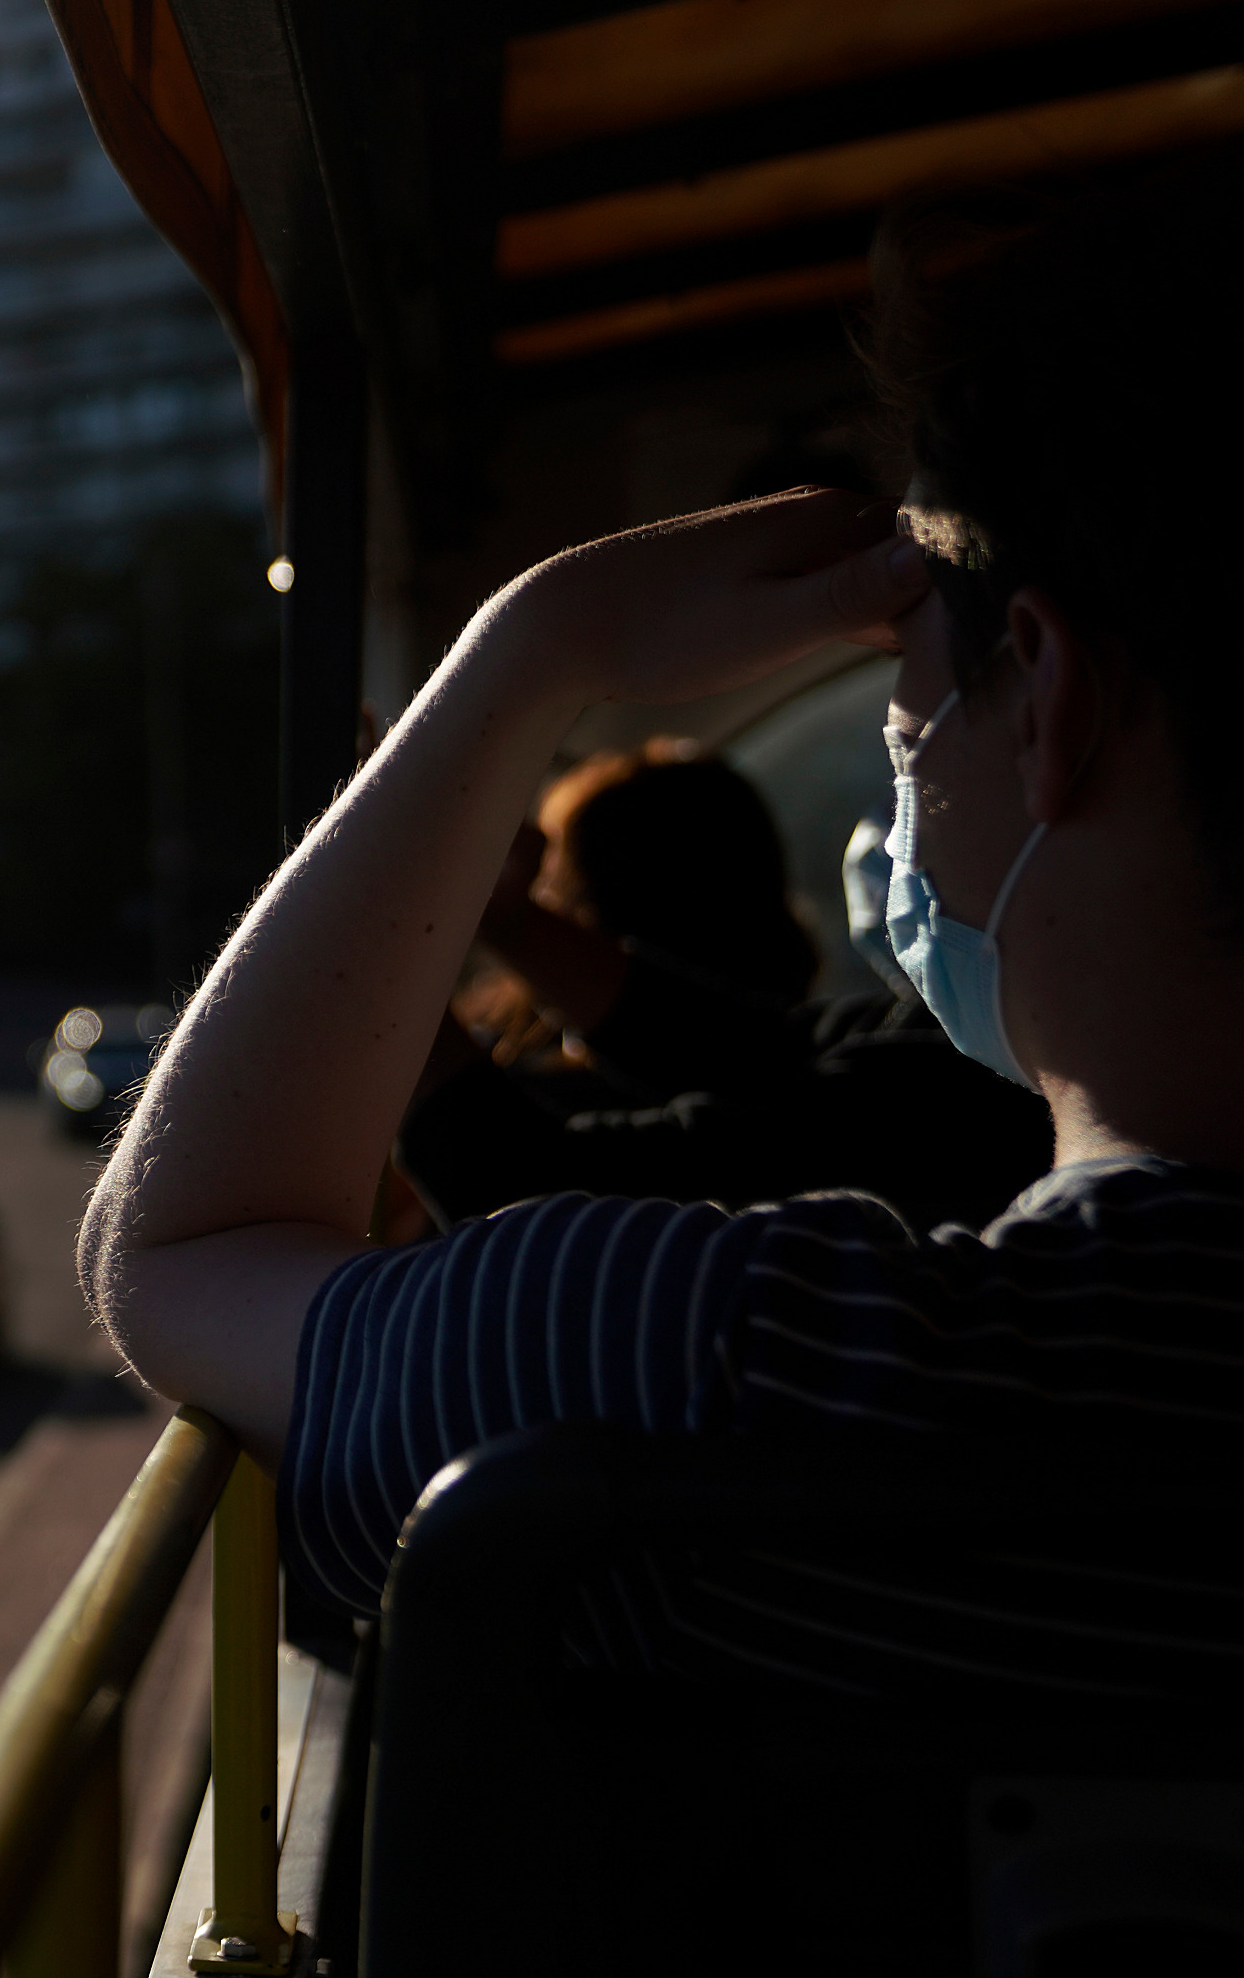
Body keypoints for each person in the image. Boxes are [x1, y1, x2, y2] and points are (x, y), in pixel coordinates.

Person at [81, 153, 1244, 1691]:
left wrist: (524, 656)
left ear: (1049, 697)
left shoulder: (756, 1381)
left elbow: (175, 1249)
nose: (898, 758)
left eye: (906, 675)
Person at [400, 742, 1052, 1231]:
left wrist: (387, 920)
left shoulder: (988, 1088)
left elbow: (537, 1183)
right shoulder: (968, 1048)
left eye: (912, 747)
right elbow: (759, 1054)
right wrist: (504, 918)